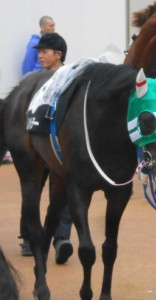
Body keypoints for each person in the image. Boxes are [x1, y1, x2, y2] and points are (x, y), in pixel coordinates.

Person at [20, 33, 73, 265]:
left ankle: (61, 240)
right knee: (31, 190)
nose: (39, 55)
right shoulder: (32, 79)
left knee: (63, 193)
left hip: (60, 147)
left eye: (44, 51)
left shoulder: (70, 78)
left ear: (58, 54)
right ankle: (30, 236)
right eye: (38, 51)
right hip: (34, 145)